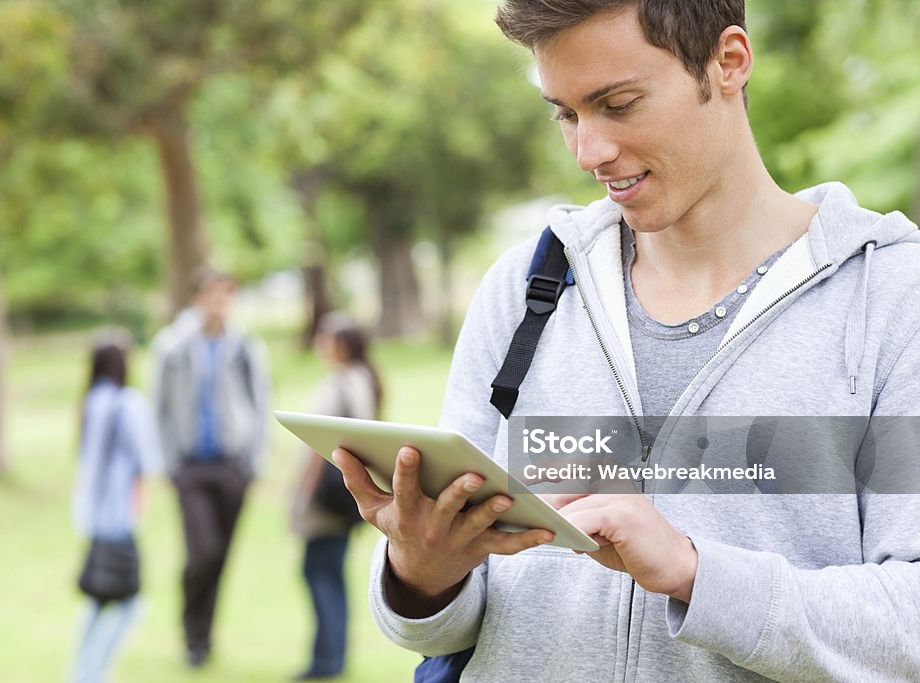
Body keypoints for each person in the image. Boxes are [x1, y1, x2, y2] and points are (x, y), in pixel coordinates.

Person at [331, 1, 920, 680]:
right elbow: (452, 619)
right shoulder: (528, 288)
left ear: (728, 62)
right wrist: (421, 571)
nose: (589, 151)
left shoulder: (892, 299)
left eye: (618, 103)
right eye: (566, 113)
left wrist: (693, 571)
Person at [153, 267, 271, 668]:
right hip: (190, 467)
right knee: (201, 553)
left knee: (220, 556)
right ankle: (191, 632)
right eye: (211, 294)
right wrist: (168, 462)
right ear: (196, 298)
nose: (218, 302)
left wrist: (253, 462)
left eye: (225, 295)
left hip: (232, 465)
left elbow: (259, 403)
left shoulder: (244, 345)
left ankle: (204, 639)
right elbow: (161, 406)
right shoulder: (172, 345)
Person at [291, 312, 383, 680]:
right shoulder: (363, 378)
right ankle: (328, 657)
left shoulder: (344, 381)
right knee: (328, 573)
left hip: (327, 498)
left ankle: (326, 661)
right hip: (342, 498)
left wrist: (303, 493)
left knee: (320, 573)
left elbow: (322, 443)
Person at [70, 328, 161, 683]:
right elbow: (146, 462)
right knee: (129, 603)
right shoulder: (128, 403)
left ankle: (80, 670)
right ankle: (93, 673)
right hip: (119, 518)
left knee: (96, 598)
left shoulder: (91, 401)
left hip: (90, 517)